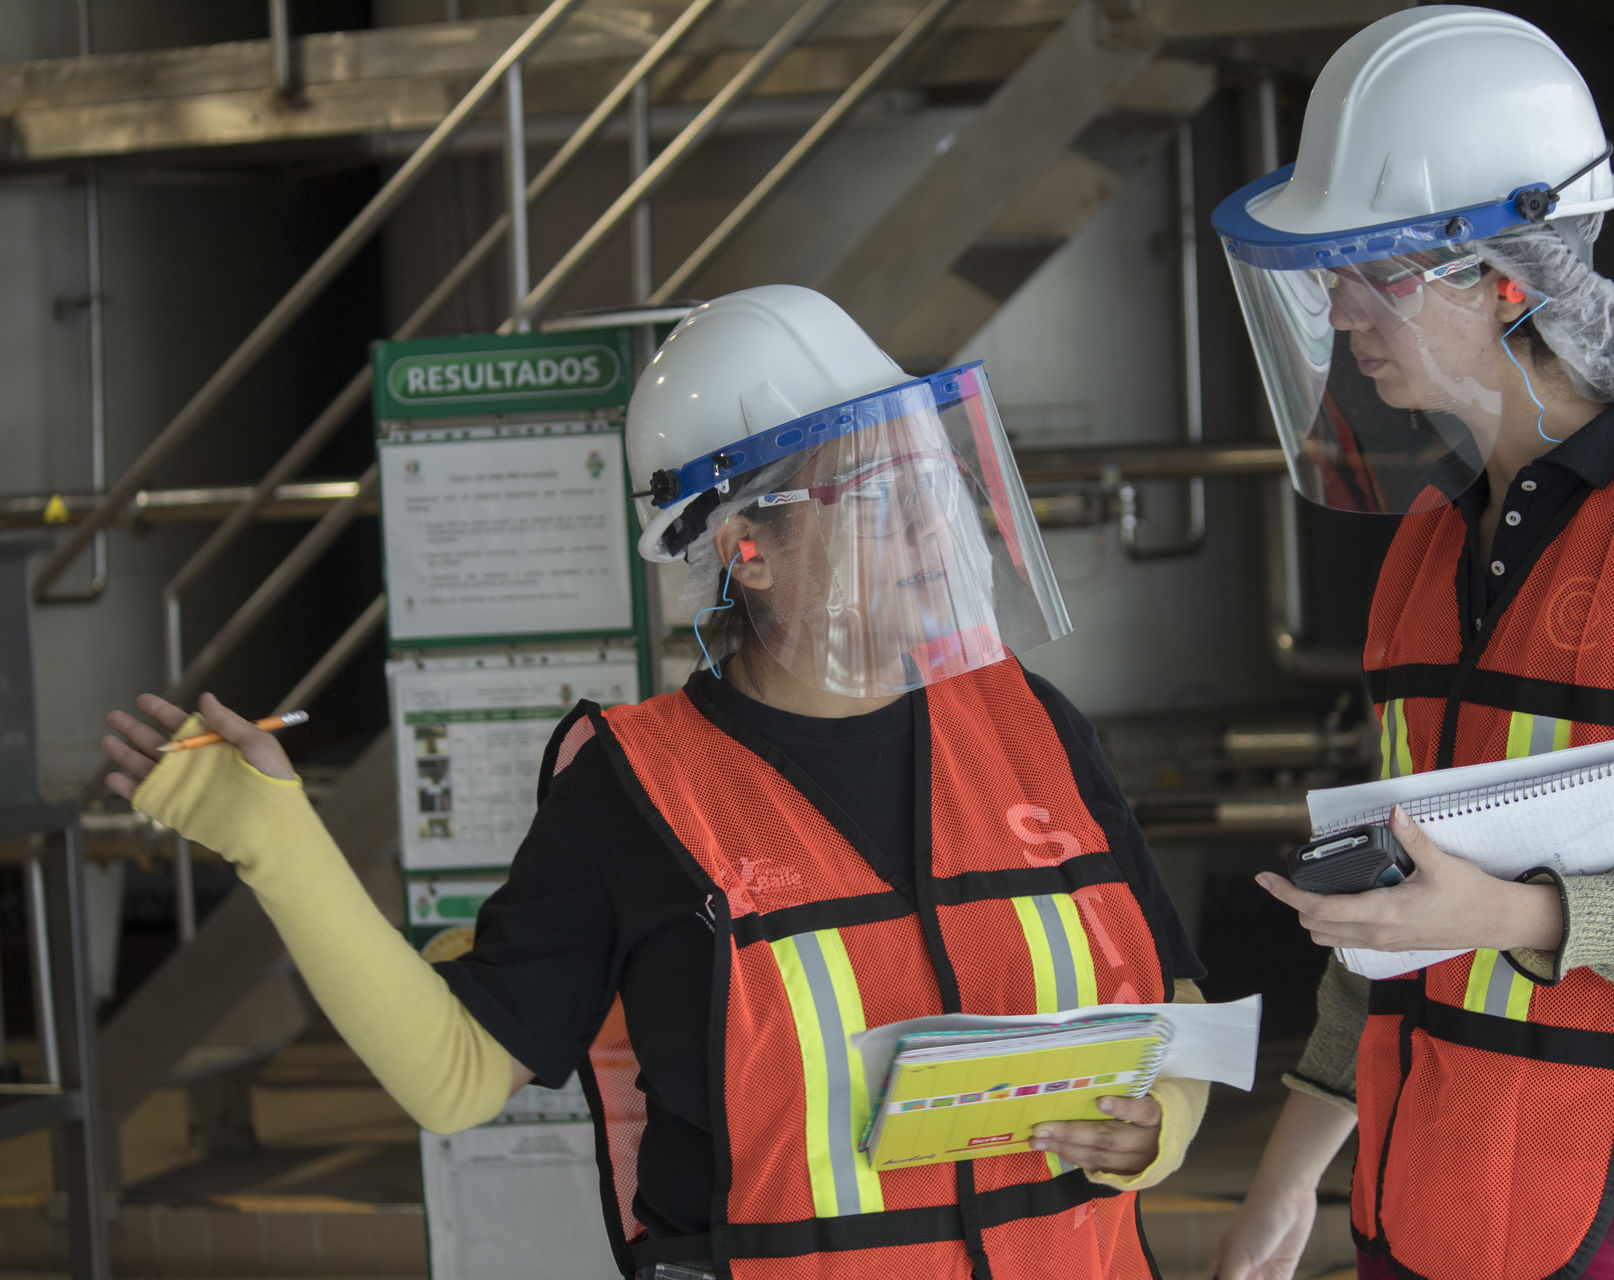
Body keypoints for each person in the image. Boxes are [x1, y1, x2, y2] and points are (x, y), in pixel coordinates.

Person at [103, 285, 1211, 1280]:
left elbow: (1179, 1001)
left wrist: (1157, 1121)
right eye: (877, 491)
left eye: (930, 474)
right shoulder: (631, 791)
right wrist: (275, 838)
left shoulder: (1032, 727)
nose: (934, 524)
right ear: (746, 548)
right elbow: (457, 1074)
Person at [1205, 8, 1614, 1280]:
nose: (1338, 310)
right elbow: (1390, 925)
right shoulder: (1427, 544)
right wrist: (1286, 1184)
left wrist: (1501, 910)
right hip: (1420, 1186)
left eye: (1370, 270)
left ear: (1509, 279)